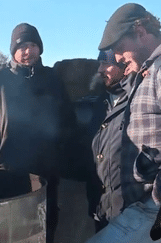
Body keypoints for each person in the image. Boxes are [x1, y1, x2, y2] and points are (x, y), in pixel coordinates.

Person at [0, 23, 75, 243]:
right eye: (22, 46)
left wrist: (60, 154)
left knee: (46, 226)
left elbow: (68, 119)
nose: (28, 51)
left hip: (47, 172)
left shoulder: (52, 78)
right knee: (11, 230)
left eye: (33, 45)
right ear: (13, 51)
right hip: (10, 172)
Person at [86, 3, 161, 242]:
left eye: (119, 48)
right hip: (138, 206)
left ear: (140, 32)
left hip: (152, 209)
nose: (117, 58)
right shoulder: (148, 73)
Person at [89, 50, 135, 232]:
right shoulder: (100, 103)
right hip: (100, 209)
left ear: (123, 66)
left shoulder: (136, 100)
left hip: (129, 211)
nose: (100, 70)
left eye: (106, 64)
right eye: (99, 64)